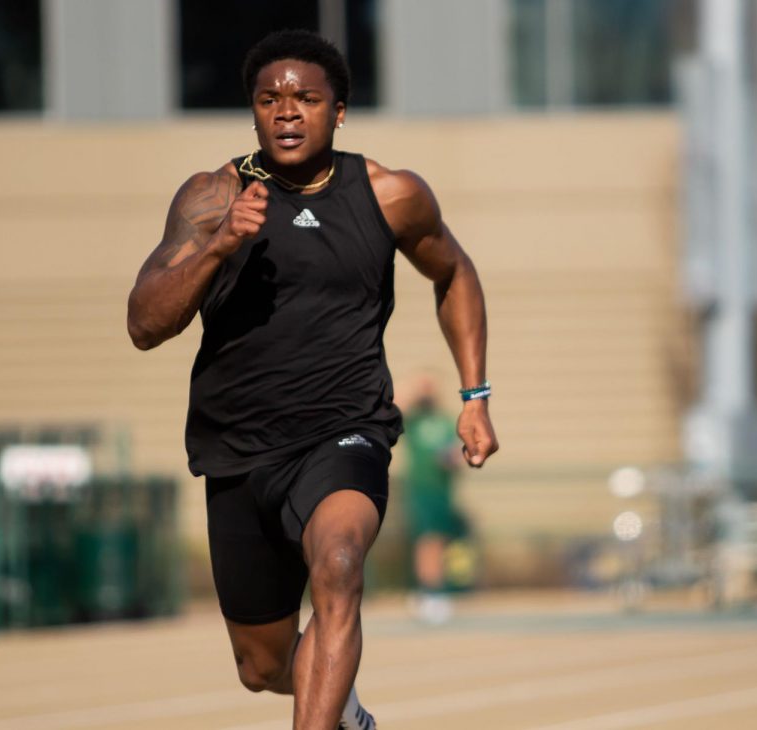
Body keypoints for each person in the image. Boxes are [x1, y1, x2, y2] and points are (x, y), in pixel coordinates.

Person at [127, 29, 498, 730]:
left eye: (306, 98)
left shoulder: (390, 195)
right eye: (270, 99)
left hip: (344, 433)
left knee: (339, 562)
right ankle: (348, 712)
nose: (287, 112)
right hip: (237, 450)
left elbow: (454, 271)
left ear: (340, 110)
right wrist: (218, 246)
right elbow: (144, 323)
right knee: (261, 668)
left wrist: (475, 396)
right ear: (254, 112)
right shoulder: (213, 196)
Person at [400, 375, 467, 624]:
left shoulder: (445, 420)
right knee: (428, 541)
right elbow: (395, 409)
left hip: (442, 490)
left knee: (439, 542)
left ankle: (432, 592)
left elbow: (457, 452)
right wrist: (413, 392)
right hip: (421, 488)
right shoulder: (415, 421)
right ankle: (430, 593)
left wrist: (453, 458)